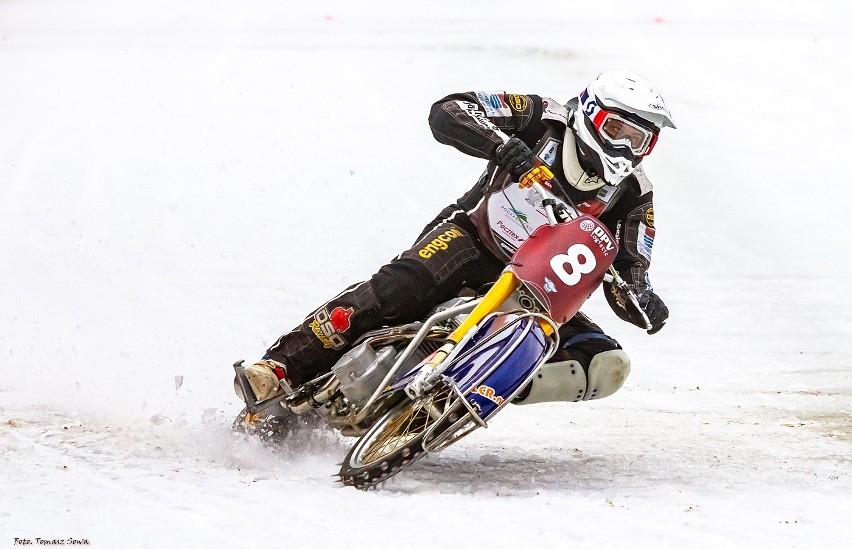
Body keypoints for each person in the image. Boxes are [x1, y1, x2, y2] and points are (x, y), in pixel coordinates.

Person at [242, 70, 675, 407]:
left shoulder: (636, 194)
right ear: (588, 112)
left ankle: (471, 393)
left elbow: (632, 271)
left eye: (638, 139)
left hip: (539, 295)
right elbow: (449, 110)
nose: (624, 148)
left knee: (607, 365)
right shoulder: (542, 117)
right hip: (472, 240)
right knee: (398, 288)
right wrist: (502, 146)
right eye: (616, 130)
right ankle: (279, 367)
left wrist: (643, 301)